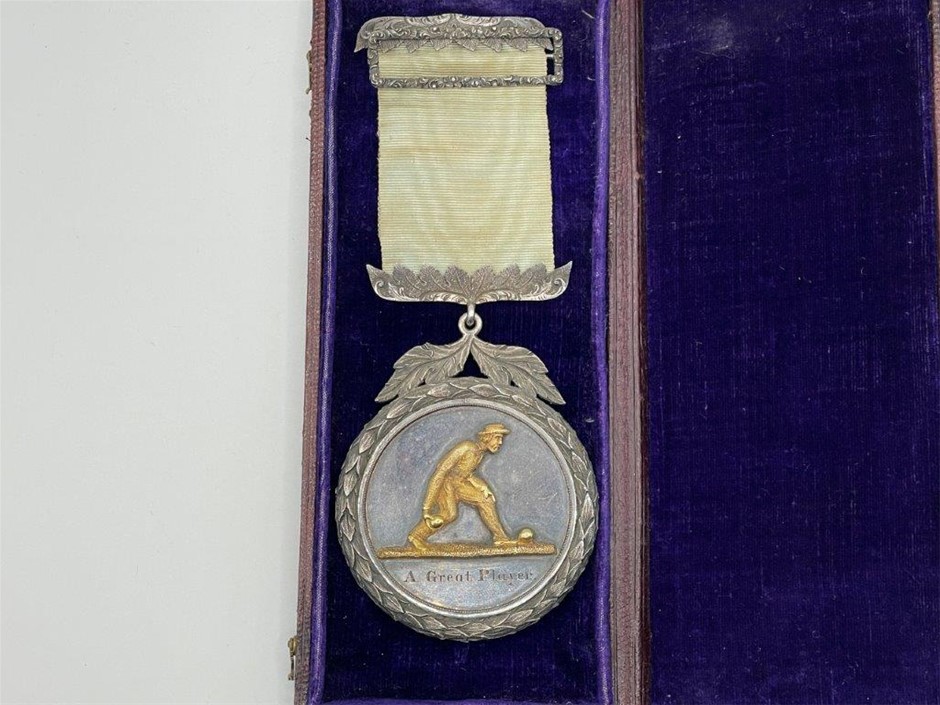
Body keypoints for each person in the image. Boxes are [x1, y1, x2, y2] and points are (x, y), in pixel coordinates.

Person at [407, 422, 513, 550]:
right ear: (487, 437)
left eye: (501, 438)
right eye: (497, 438)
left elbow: (467, 474)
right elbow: (440, 472)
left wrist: (482, 486)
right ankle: (416, 536)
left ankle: (500, 538)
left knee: (486, 499)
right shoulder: (466, 447)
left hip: (459, 484)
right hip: (447, 484)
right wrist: (427, 507)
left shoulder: (479, 453)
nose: (500, 442)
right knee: (449, 514)